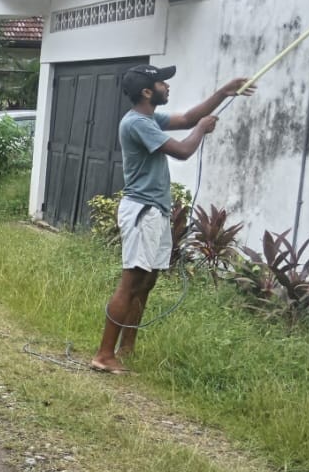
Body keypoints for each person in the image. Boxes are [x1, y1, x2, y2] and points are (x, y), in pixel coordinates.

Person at [90, 64, 253, 374]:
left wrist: (223, 92)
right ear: (147, 91)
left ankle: (127, 348)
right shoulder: (137, 123)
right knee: (131, 282)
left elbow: (188, 118)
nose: (167, 86)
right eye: (161, 83)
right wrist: (202, 130)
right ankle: (103, 355)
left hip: (155, 210)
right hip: (142, 211)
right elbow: (182, 150)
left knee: (146, 282)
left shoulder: (150, 119)